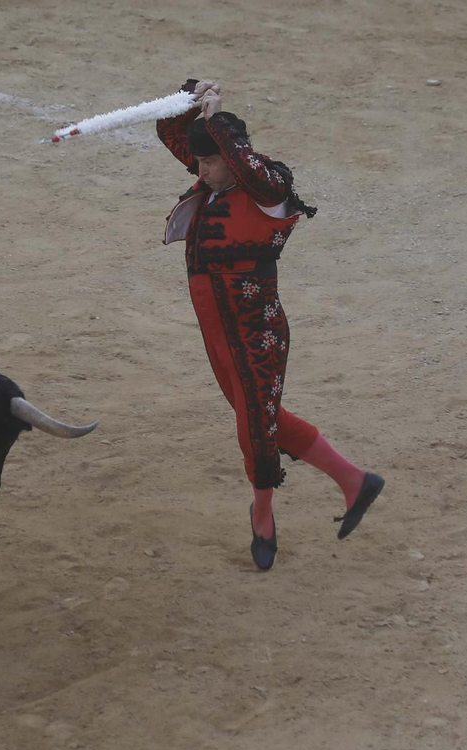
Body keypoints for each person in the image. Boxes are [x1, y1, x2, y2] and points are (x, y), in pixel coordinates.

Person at [156, 78, 383, 570]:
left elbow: (240, 161)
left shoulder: (268, 187)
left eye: (210, 159)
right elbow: (171, 132)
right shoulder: (212, 176)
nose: (201, 168)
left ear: (232, 153)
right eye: (199, 160)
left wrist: (218, 125)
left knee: (254, 424)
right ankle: (354, 480)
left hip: (256, 331)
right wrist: (193, 95)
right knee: (262, 419)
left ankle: (263, 516)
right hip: (218, 332)